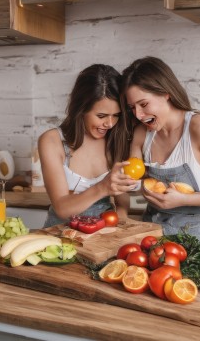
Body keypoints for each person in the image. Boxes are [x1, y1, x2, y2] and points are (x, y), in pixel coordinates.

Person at [120, 56, 200, 241]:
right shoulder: (141, 134)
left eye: (143, 104)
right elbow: (135, 182)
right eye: (132, 108)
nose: (139, 115)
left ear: (165, 92)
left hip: (194, 237)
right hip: (150, 232)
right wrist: (132, 184)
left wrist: (183, 199)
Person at [38, 64, 137, 227]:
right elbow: (62, 208)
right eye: (101, 115)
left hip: (104, 236)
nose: (110, 124)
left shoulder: (116, 139)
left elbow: (122, 200)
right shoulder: (52, 141)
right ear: (81, 108)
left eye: (116, 115)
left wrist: (119, 224)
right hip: (60, 236)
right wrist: (103, 187)